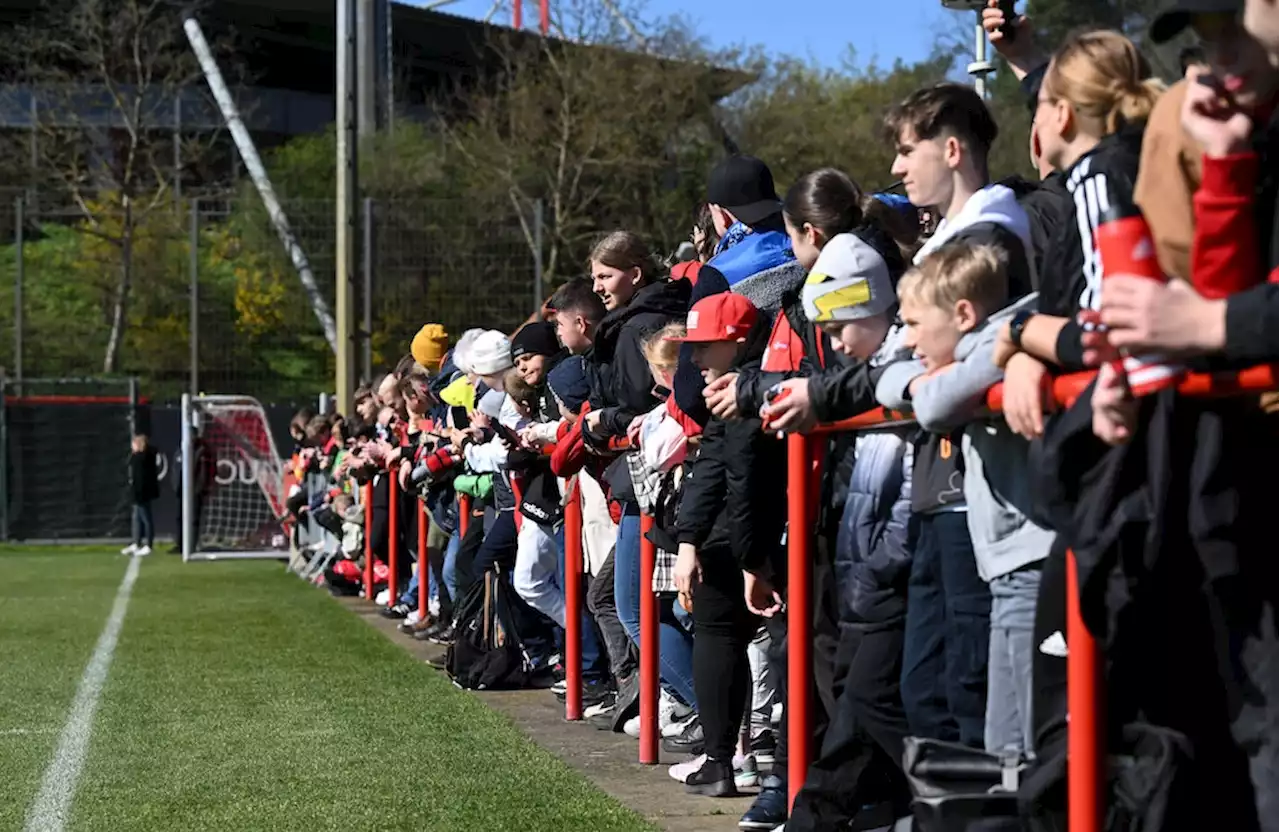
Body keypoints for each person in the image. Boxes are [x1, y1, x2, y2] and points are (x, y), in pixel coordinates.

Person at [879, 244, 1050, 756]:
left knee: (1023, 735)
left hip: (1030, 560)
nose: (908, 340)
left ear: (962, 314)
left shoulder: (1003, 338)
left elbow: (931, 405)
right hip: (1006, 564)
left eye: (914, 324)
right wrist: (920, 377)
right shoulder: (976, 348)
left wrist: (995, 358)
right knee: (1005, 735)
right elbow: (889, 381)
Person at [786, 233, 915, 832]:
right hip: (866, 566)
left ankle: (818, 816)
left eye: (841, 330)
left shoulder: (898, 367)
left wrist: (885, 562)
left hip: (891, 566)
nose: (834, 346)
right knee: (856, 692)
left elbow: (905, 492)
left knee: (868, 698)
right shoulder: (865, 377)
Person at [667, 292, 785, 797]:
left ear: (736, 342)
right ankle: (728, 761)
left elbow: (744, 480)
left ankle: (761, 763)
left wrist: (750, 558)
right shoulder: (731, 389)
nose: (694, 359)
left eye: (704, 346)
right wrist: (689, 541)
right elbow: (711, 469)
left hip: (767, 539)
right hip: (737, 541)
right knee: (722, 635)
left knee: (783, 652)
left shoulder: (751, 387)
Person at [124, 434, 159, 557]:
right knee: (136, 518)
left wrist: (138, 492)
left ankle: (148, 544)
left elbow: (141, 478)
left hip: (142, 492)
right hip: (138, 492)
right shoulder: (138, 458)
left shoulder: (142, 458)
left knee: (145, 518)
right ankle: (136, 542)